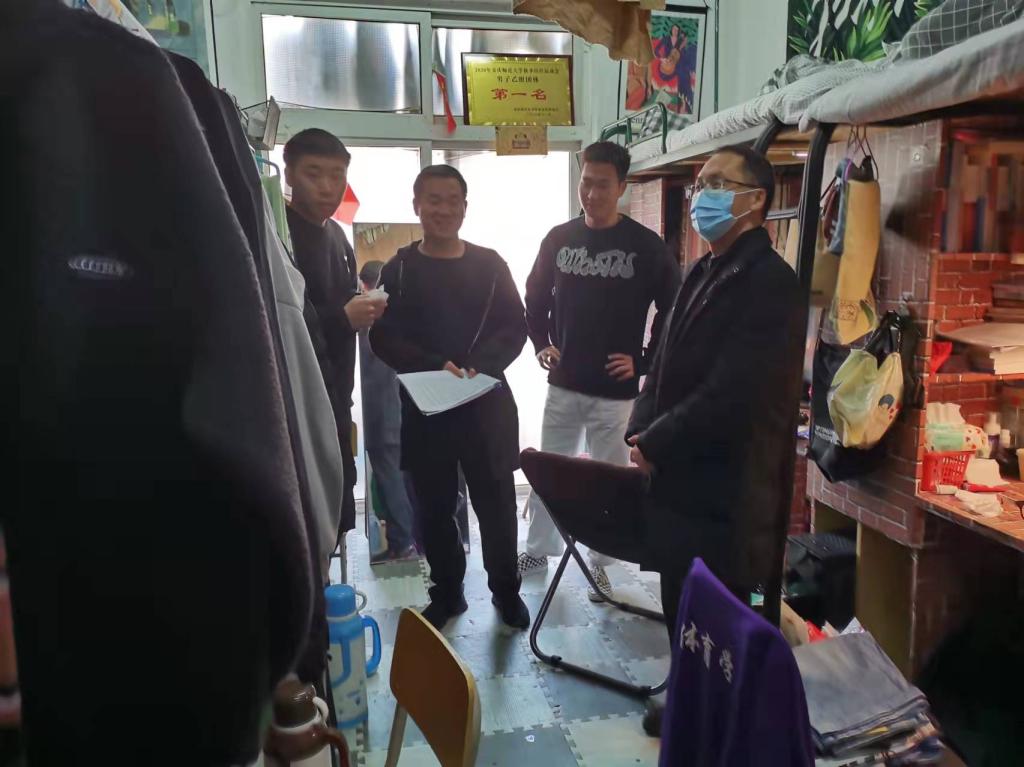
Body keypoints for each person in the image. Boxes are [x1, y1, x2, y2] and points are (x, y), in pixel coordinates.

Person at [627, 145, 805, 732]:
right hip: (679, 479)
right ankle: (690, 699)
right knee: (680, 601)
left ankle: (723, 718)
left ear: (755, 200)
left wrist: (656, 442)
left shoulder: (770, 282)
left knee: (723, 610)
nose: (702, 194)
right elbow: (663, 359)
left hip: (728, 487)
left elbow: (733, 391)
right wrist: (639, 427)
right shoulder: (703, 268)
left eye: (718, 183)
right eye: (701, 183)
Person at [370, 165, 530, 631]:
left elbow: (515, 325)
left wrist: (483, 362)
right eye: (433, 200)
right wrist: (432, 364)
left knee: (497, 508)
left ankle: (506, 591)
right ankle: (447, 594)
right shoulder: (399, 269)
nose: (443, 209)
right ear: (416, 205)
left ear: (465, 206)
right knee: (435, 509)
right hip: (427, 408)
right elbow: (383, 336)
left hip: (486, 404)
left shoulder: (490, 264)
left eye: (452, 200)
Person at [521, 141, 679, 601]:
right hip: (564, 385)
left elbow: (674, 308)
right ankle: (538, 550)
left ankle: (600, 565)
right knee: (549, 470)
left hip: (615, 392)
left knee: (608, 479)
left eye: (602, 185)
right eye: (585, 183)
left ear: (622, 187)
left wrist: (644, 361)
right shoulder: (559, 239)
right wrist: (541, 342)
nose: (591, 194)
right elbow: (534, 296)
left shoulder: (645, 247)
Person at [284, 129, 387, 552]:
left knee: (338, 503)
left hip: (338, 397)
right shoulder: (277, 236)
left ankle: (328, 580)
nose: (327, 186)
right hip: (297, 403)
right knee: (304, 515)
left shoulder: (339, 237)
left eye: (337, 175)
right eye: (314, 174)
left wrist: (364, 306)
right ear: (288, 174)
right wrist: (343, 318)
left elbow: (342, 299)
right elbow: (278, 321)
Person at [357, 260, 418, 561]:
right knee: (400, 479)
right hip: (403, 411)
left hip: (380, 415)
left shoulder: (366, 321)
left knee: (390, 479)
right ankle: (404, 540)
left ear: (364, 285)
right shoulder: (403, 316)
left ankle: (403, 543)